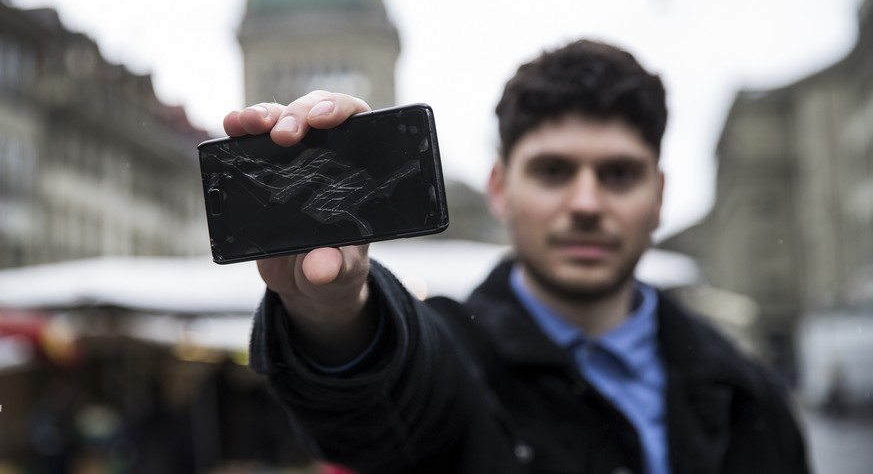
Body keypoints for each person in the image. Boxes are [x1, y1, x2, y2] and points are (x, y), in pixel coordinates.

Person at [224, 39, 810, 474]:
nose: (585, 204)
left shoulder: (748, 395)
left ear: (658, 197)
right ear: (501, 188)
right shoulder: (454, 356)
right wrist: (332, 309)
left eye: (618, 175)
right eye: (553, 172)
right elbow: (387, 400)